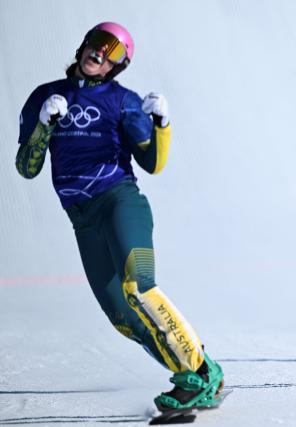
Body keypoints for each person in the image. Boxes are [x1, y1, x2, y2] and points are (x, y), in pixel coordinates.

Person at [15, 22, 224, 411]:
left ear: (117, 67)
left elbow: (153, 163)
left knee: (139, 287)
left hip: (119, 202)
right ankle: (202, 367)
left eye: (114, 54)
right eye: (99, 44)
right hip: (82, 219)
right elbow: (27, 167)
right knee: (122, 316)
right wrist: (43, 125)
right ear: (84, 45)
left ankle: (192, 377)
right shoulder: (44, 97)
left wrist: (162, 124)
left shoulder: (123, 101)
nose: (101, 54)